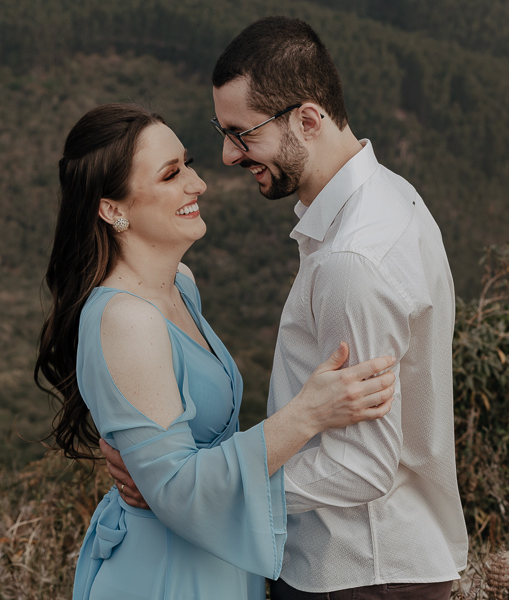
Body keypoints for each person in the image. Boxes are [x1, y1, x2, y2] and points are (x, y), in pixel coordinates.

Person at [104, 16, 468, 600]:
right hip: (382, 563)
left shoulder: (353, 260)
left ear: (307, 119)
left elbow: (364, 465)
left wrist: (199, 492)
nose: (226, 155)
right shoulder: (392, 196)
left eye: (242, 134)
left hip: (355, 570)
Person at [35, 102, 398, 600]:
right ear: (112, 209)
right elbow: (178, 492)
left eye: (186, 163)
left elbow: (178, 468)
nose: (197, 183)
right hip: (166, 573)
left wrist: (163, 476)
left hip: (213, 559)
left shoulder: (181, 286)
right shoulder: (127, 318)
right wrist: (307, 416)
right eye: (170, 175)